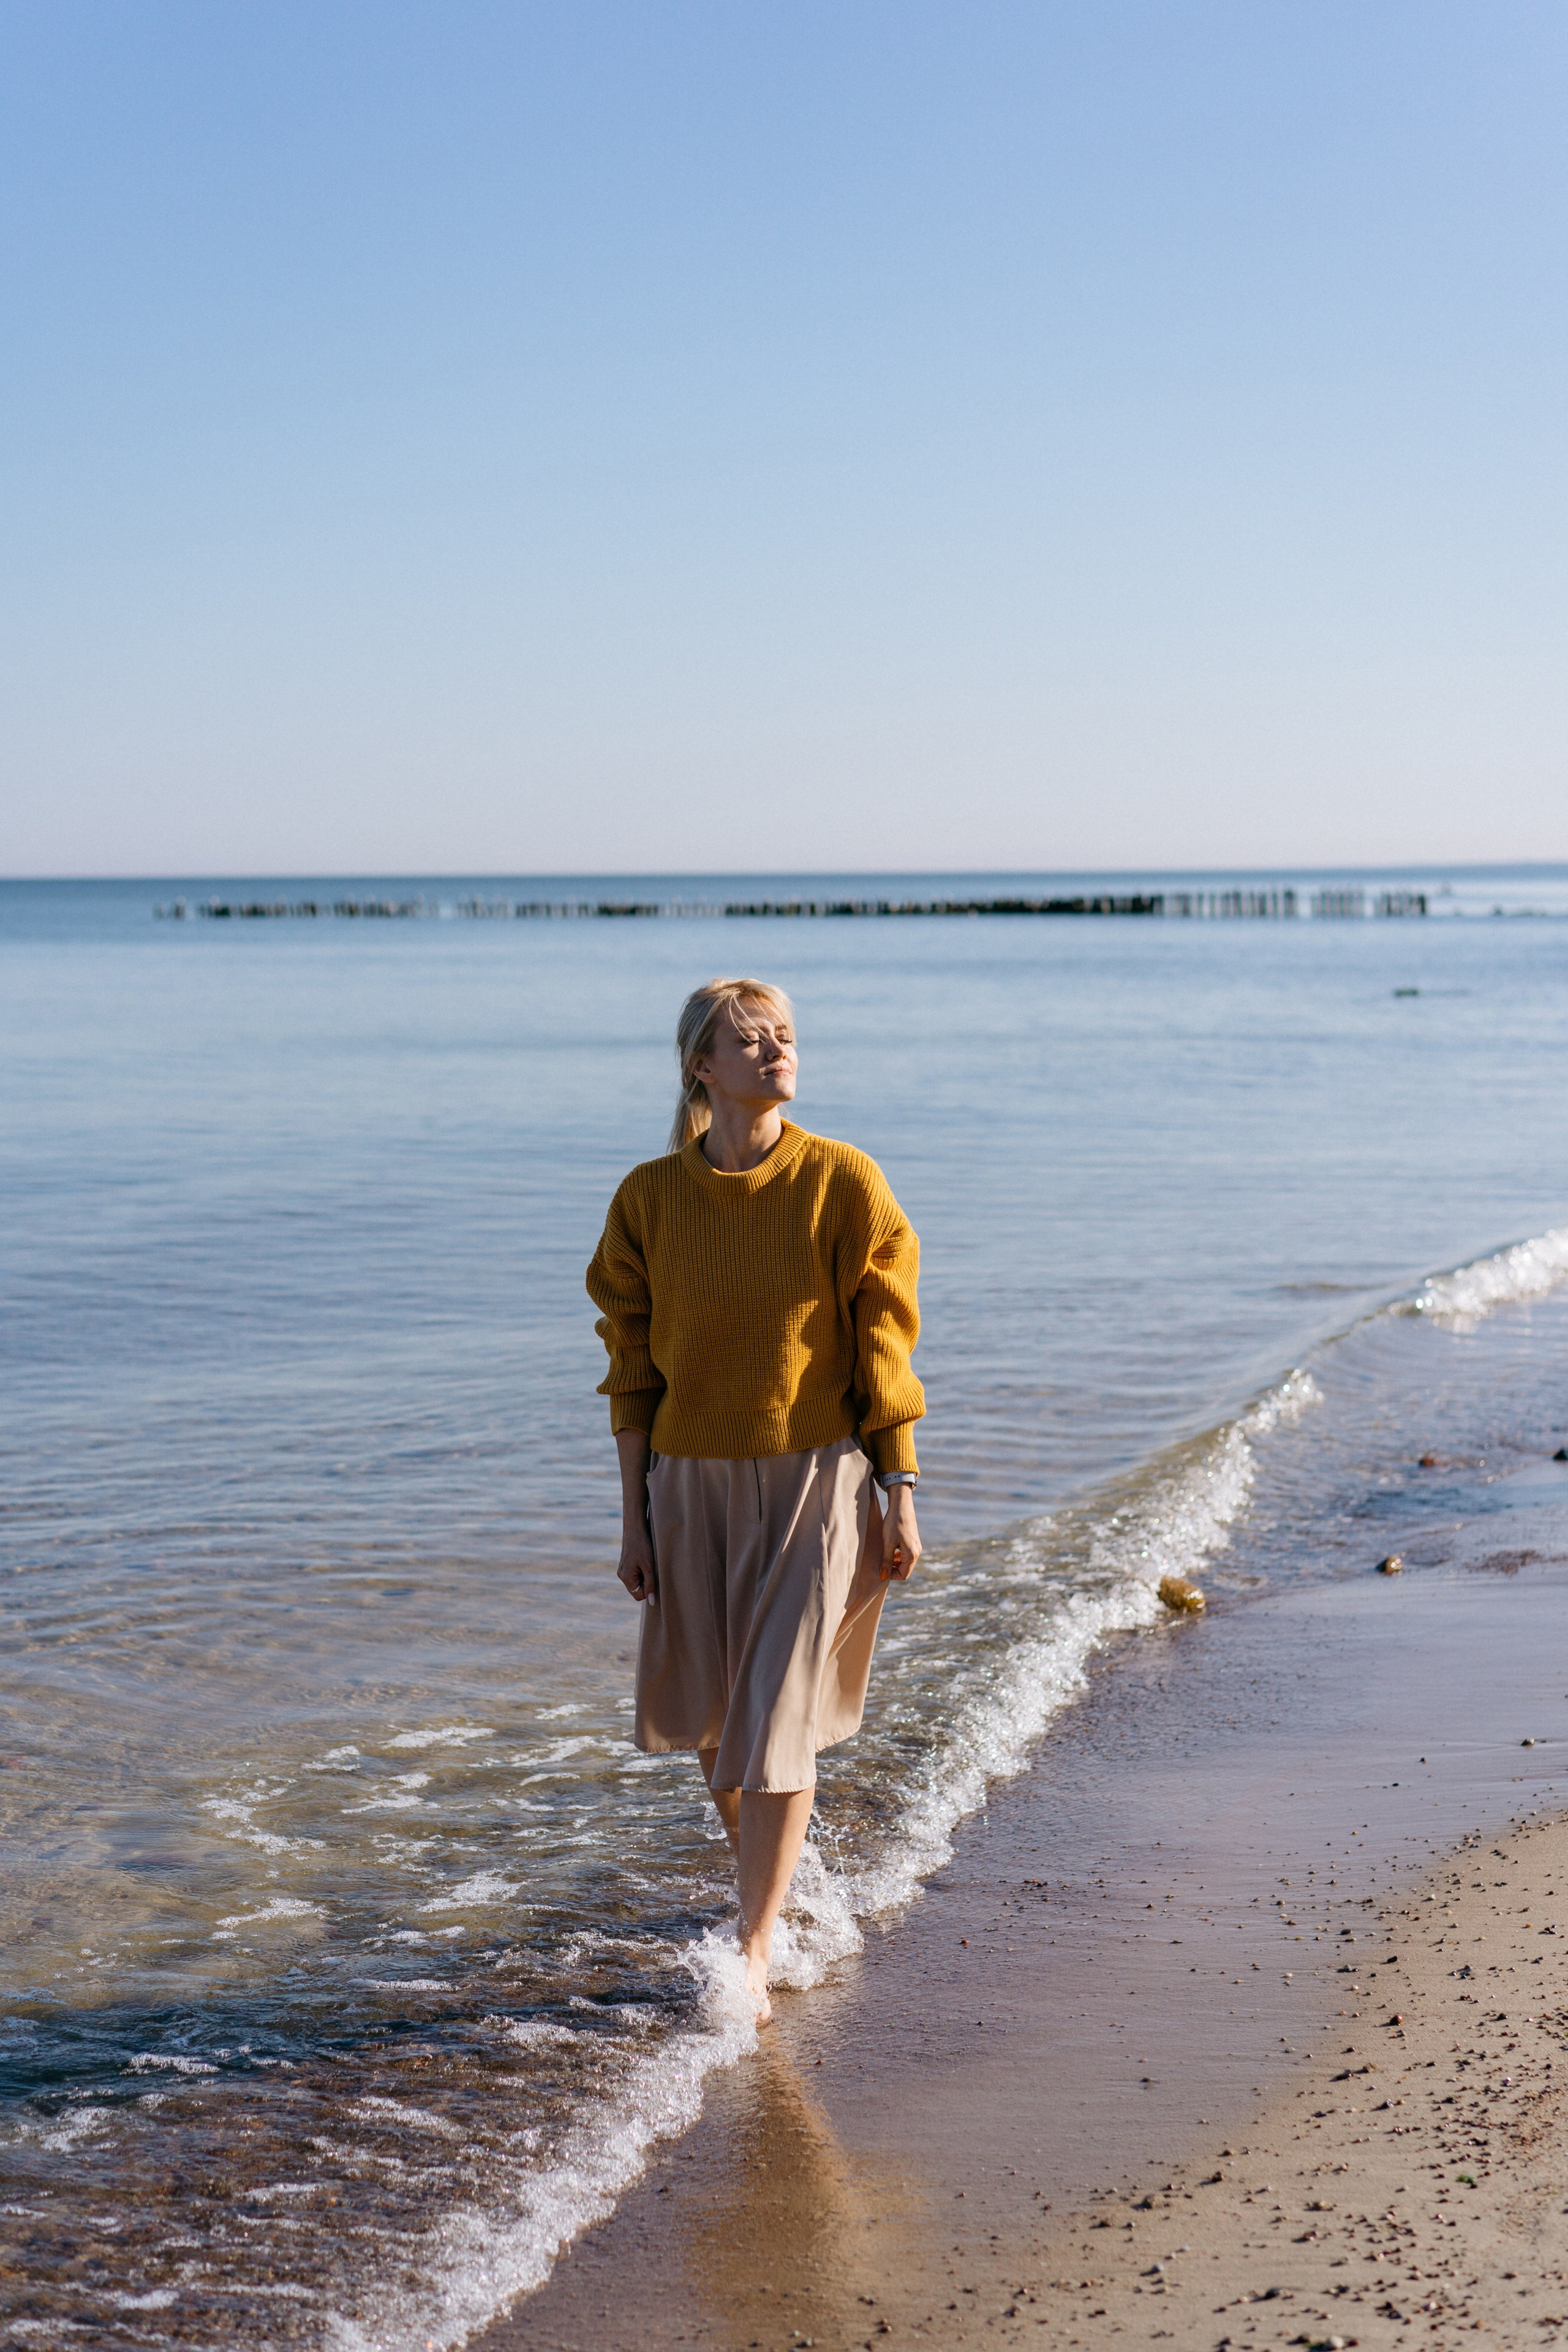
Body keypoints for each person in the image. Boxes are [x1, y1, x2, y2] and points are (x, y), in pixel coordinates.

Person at [586, 976, 924, 2020]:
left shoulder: (844, 1182)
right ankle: (782, 1884)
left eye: (784, 1035)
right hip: (688, 1481)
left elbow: (883, 1340)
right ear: (702, 1066)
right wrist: (634, 1514)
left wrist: (898, 1487)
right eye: (750, 1039)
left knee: (777, 1717)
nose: (777, 1050)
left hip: (817, 1480)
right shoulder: (648, 1199)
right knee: (716, 1725)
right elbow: (632, 1365)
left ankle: (755, 1944)